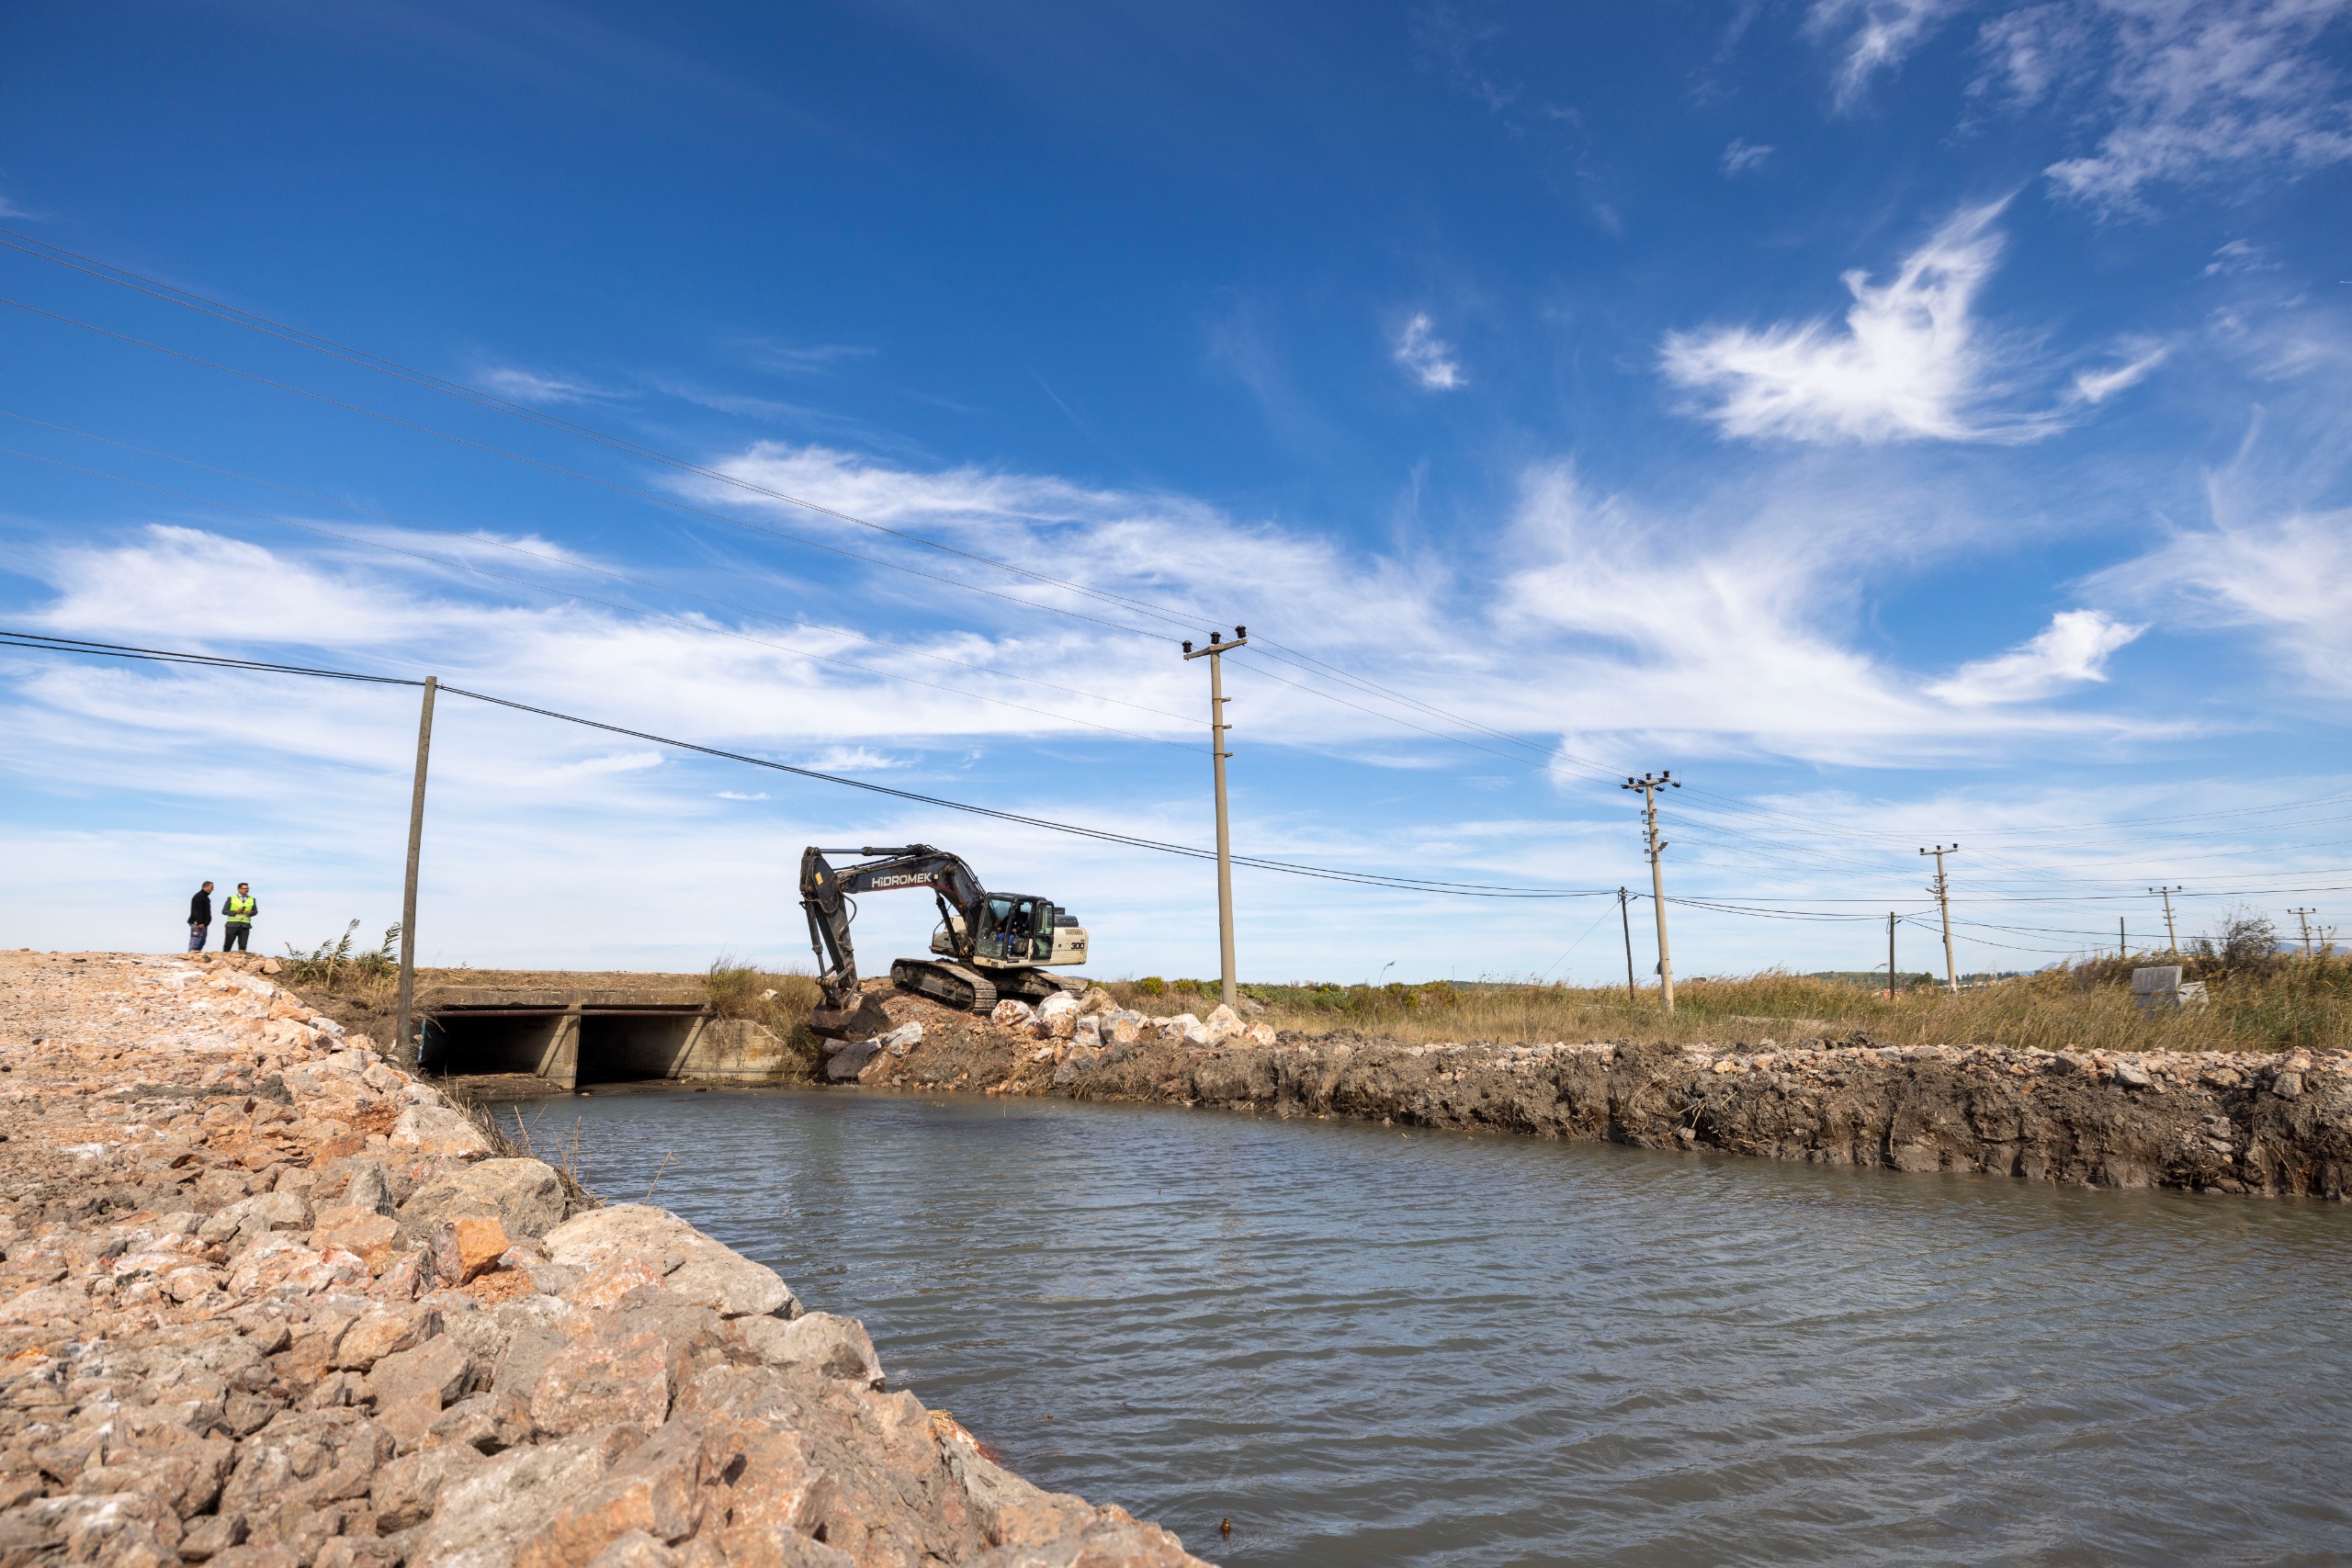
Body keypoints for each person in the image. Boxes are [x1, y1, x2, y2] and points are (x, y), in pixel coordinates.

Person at [222, 884, 258, 952]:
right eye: (245, 888)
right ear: (239, 889)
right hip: (232, 925)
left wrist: (250, 912)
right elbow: (224, 911)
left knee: (243, 946)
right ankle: (225, 957)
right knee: (228, 945)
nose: (247, 890)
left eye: (248, 888)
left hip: (245, 926)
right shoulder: (231, 898)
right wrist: (235, 912)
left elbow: (255, 911)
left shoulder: (252, 899)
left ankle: (241, 958)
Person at [187, 881, 214, 952]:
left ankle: (196, 956)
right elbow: (197, 910)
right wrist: (200, 922)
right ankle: (191, 955)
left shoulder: (205, 897)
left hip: (203, 924)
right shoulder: (199, 897)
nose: (212, 890)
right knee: (195, 942)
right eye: (211, 888)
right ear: (205, 887)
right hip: (198, 924)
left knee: (201, 942)